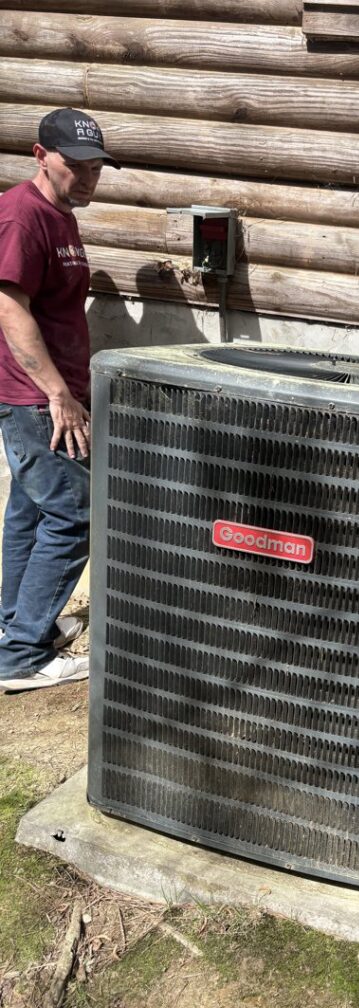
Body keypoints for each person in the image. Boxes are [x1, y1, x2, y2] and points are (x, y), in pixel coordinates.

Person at [0, 108, 120, 692]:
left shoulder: (59, 213)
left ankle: (15, 627)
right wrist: (58, 395)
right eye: (76, 166)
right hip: (37, 400)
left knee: (30, 512)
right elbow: (9, 307)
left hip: (51, 395)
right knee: (73, 516)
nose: (88, 178)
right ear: (41, 156)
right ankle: (23, 656)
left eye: (96, 168)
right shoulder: (22, 216)